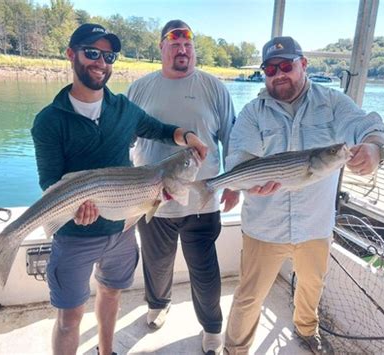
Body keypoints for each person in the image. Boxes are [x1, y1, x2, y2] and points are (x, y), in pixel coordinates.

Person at [31, 23, 208, 355]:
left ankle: (105, 351)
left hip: (122, 229)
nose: (101, 62)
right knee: (70, 318)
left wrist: (187, 137)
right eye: (92, 53)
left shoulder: (123, 109)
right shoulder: (49, 120)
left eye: (108, 55)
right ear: (71, 54)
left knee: (111, 294)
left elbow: (159, 129)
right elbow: (50, 183)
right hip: (74, 235)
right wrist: (74, 211)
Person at [223, 36, 384, 355]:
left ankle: (305, 330)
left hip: (315, 225)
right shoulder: (252, 113)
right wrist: (243, 183)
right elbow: (238, 158)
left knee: (312, 288)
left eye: (286, 65)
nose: (279, 73)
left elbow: (366, 124)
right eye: (270, 69)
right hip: (263, 226)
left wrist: (372, 148)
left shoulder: (333, 102)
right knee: (249, 296)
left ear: (304, 64)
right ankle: (235, 349)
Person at [127, 19, 239, 355]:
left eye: (188, 43)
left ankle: (212, 327)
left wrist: (234, 184)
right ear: (161, 48)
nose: (182, 49)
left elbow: (232, 139)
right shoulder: (140, 88)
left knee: (204, 270)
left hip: (202, 201)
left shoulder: (214, 87)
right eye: (174, 43)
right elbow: (125, 138)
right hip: (153, 199)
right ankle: (158, 304)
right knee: (156, 263)